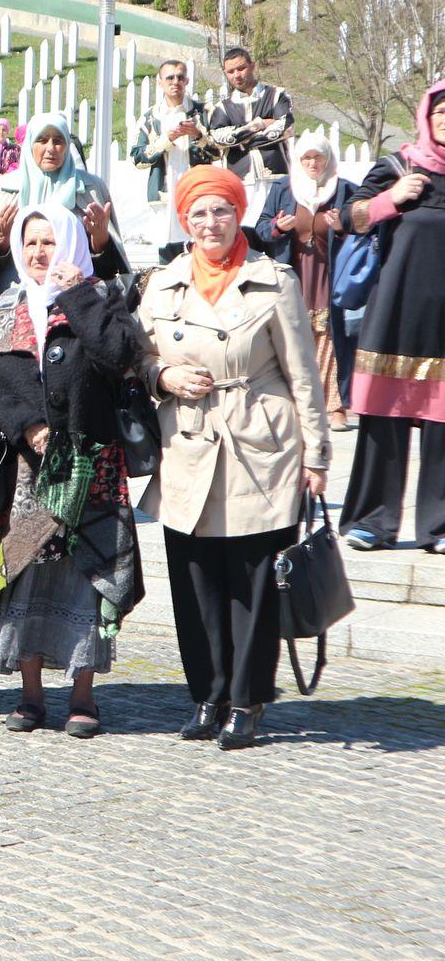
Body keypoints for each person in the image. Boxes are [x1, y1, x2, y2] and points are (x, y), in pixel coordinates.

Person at [138, 167, 329, 749]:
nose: (210, 223)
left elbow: (304, 375)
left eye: (221, 210)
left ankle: (246, 700)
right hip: (188, 443)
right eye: (199, 213)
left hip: (259, 446)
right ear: (184, 220)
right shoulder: (163, 283)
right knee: (194, 579)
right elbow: (137, 360)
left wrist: (316, 454)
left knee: (253, 581)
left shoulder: (274, 282)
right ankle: (207, 693)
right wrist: (164, 375)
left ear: (239, 213)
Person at [0, 203, 145, 738]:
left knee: (86, 580)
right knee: (25, 575)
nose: (41, 253)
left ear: (69, 243)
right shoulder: (3, 307)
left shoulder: (101, 298)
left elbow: (120, 355)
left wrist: (77, 295)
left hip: (92, 467)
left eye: (51, 241)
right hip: (27, 472)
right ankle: (29, 695)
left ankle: (83, 696)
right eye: (31, 243)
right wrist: (25, 425)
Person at [338, 79, 445, 555]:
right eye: (440, 111)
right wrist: (392, 198)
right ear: (427, 115)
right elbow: (346, 217)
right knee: (385, 414)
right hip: (395, 308)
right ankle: (372, 521)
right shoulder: (398, 166)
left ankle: (439, 527)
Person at [0, 111, 128, 308]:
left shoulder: (88, 189)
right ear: (29, 144)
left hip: (74, 298)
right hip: (14, 301)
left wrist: (100, 242)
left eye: (58, 141)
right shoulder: (0, 191)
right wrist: (0, 242)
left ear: (67, 146)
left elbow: (109, 269)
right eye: (42, 140)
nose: (50, 148)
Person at [256, 132, 359, 429]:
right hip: (294, 273)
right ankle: (298, 404)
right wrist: (277, 227)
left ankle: (334, 404)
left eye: (318, 157)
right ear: (298, 160)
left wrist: (342, 227)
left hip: (330, 273)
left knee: (329, 337)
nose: (313, 163)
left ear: (328, 159)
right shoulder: (284, 189)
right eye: (307, 157)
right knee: (295, 336)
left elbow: (362, 228)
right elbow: (262, 228)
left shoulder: (343, 190)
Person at [131, 60, 212, 242]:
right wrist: (166, 140)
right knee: (166, 250)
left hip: (198, 193)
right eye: (170, 77)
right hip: (164, 195)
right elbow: (137, 158)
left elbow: (218, 152)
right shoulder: (150, 118)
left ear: (187, 81)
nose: (175, 82)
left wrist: (198, 135)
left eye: (180, 77)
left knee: (198, 247)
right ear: (160, 82)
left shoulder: (204, 112)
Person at [208, 47, 294, 186]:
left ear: (252, 66)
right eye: (230, 71)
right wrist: (259, 125)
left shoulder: (276, 95)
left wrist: (239, 139)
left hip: (275, 177)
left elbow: (286, 127)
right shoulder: (222, 107)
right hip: (240, 181)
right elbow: (218, 139)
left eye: (241, 68)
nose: (236, 75)